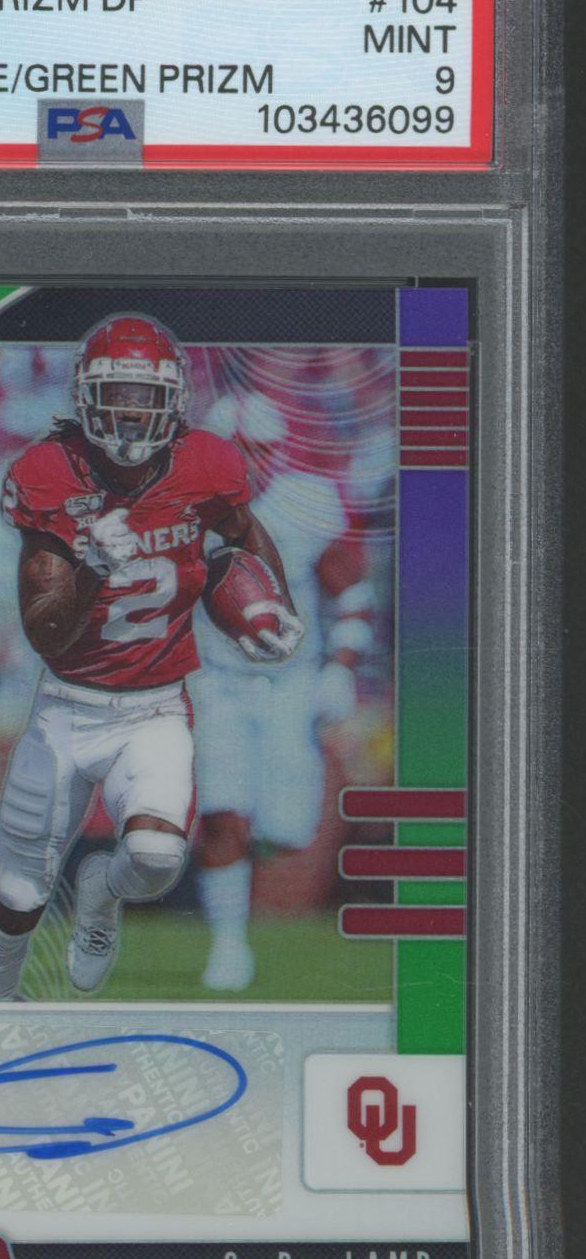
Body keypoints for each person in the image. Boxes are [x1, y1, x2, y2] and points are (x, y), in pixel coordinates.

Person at [0, 313, 303, 1002]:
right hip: (66, 709)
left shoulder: (206, 462)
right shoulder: (48, 472)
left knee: (155, 857)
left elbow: (242, 532)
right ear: (85, 397)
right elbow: (45, 634)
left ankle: (101, 891)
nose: (127, 412)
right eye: (114, 394)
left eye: (143, 395)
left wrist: (274, 606)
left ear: (173, 400)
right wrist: (91, 568)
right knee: (19, 896)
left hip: (156, 705)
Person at [192, 391, 375, 990]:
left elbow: (352, 592)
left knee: (287, 829)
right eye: (234, 453)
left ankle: (261, 842)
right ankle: (228, 947)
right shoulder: (178, 509)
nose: (246, 466)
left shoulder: (309, 503)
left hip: (289, 683)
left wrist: (340, 668)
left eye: (257, 452)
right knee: (223, 812)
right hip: (216, 682)